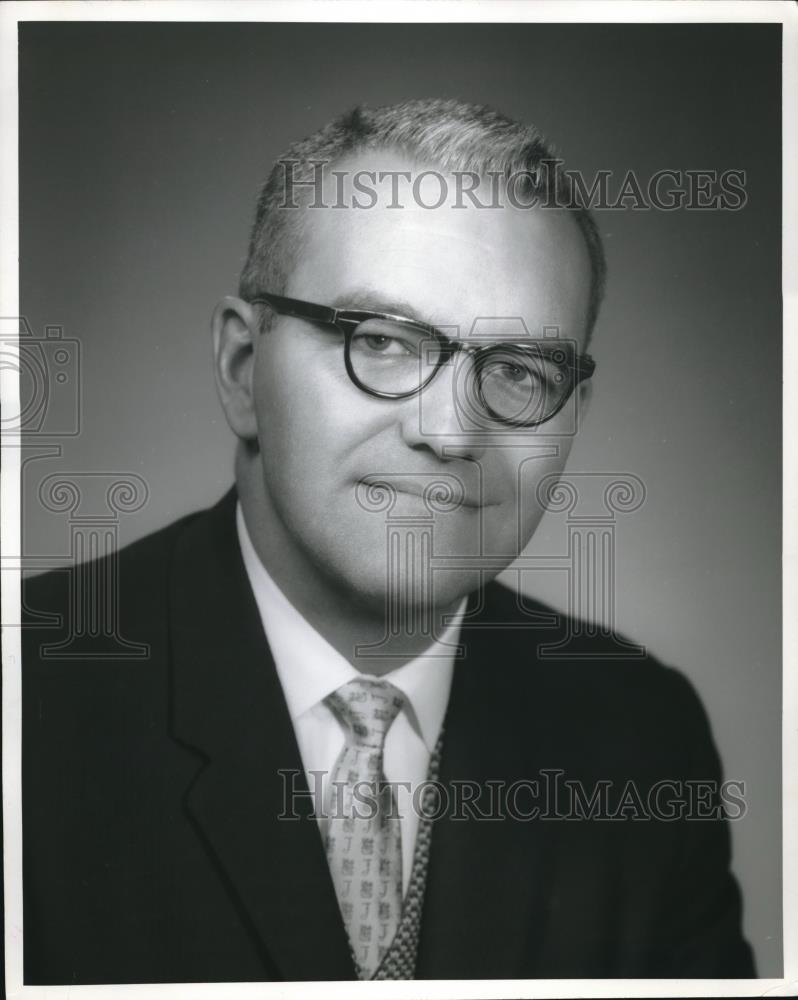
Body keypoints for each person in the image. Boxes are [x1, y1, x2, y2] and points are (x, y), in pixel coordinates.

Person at [22, 98, 755, 983]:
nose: (451, 434)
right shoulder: (27, 699)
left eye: (520, 372)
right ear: (242, 370)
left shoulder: (640, 739)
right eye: (384, 342)